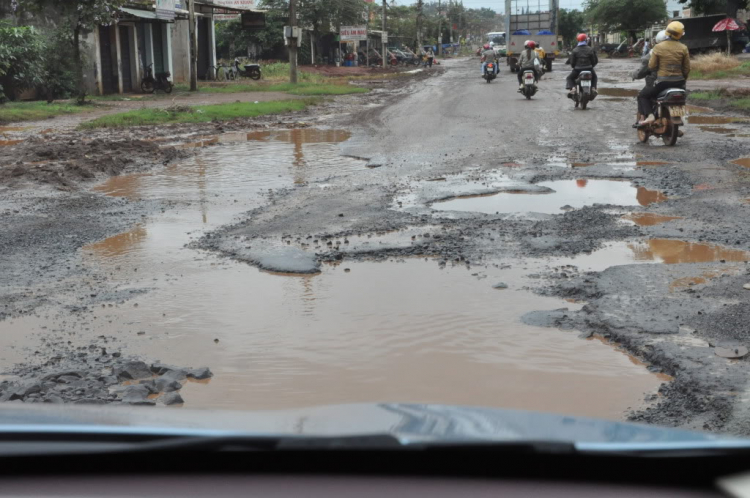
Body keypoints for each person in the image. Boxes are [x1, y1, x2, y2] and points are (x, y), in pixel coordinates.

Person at [638, 21, 690, 125]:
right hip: (679, 83)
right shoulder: (684, 48)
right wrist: (683, 80)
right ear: (680, 34)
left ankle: (650, 115)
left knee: (642, 96)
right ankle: (677, 118)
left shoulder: (658, 47)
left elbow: (651, 66)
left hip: (662, 83)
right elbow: (686, 68)